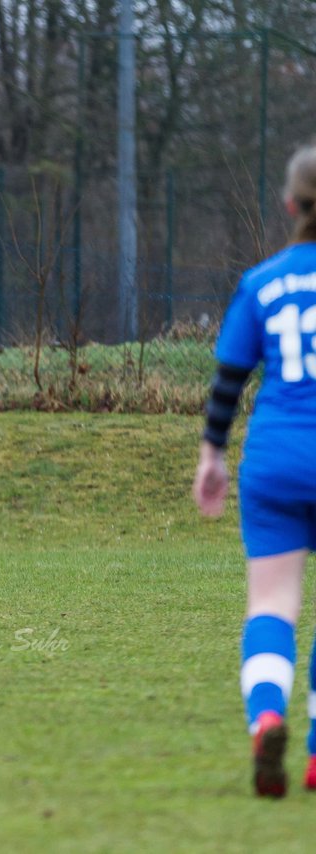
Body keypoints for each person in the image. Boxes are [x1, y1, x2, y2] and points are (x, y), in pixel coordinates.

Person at [194, 139, 316, 798]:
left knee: (272, 604)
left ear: (290, 204)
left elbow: (229, 381)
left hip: (274, 460)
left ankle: (267, 716)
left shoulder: (264, 281)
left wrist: (212, 454)